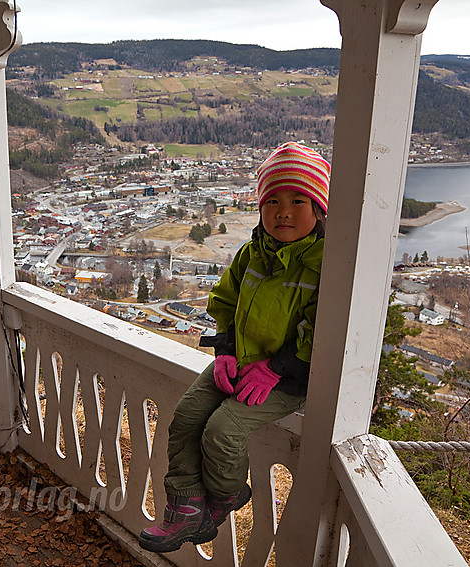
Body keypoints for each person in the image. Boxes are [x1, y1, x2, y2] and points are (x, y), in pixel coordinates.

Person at [138, 142, 330, 553]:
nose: (283, 211)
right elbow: (225, 303)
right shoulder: (251, 254)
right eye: (273, 200)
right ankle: (184, 511)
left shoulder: (325, 264)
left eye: (298, 200)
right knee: (187, 417)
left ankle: (224, 498)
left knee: (222, 432)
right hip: (241, 361)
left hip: (288, 378)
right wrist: (224, 350)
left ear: (318, 208)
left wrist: (279, 368)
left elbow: (323, 330)